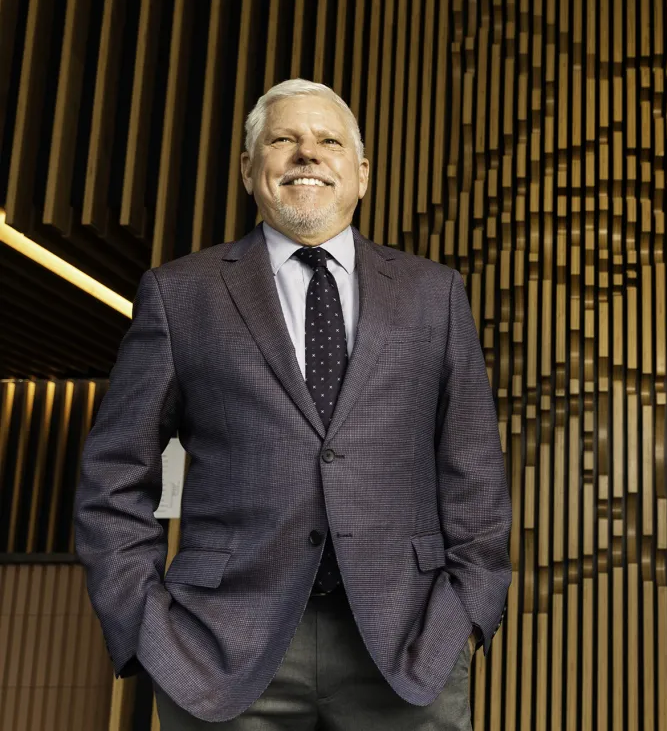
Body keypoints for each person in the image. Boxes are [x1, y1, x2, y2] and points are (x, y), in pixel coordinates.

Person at [73, 79, 512, 729]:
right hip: (219, 651)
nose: (307, 153)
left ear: (361, 174)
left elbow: (474, 468)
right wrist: (147, 630)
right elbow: (113, 477)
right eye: (284, 140)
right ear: (250, 168)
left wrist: (466, 616)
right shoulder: (180, 294)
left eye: (328, 141)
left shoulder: (434, 294)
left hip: (408, 645)